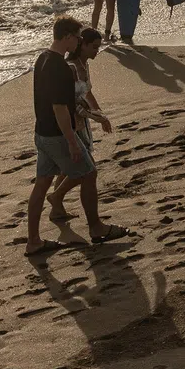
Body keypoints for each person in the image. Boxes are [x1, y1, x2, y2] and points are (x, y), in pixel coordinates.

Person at [25, 16, 127, 255]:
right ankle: (96, 228)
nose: (79, 42)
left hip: (42, 133)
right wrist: (71, 141)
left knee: (42, 184)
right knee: (89, 173)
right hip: (58, 135)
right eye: (78, 37)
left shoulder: (42, 58)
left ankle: (34, 241)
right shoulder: (60, 67)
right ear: (68, 37)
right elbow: (60, 108)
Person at [47, 27, 111, 224]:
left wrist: (100, 114)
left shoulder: (84, 65)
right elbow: (72, 103)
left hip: (83, 121)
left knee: (68, 168)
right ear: (82, 45)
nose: (97, 51)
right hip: (73, 123)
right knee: (85, 168)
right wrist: (95, 117)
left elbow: (87, 93)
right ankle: (56, 197)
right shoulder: (71, 68)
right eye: (94, 47)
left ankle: (57, 209)